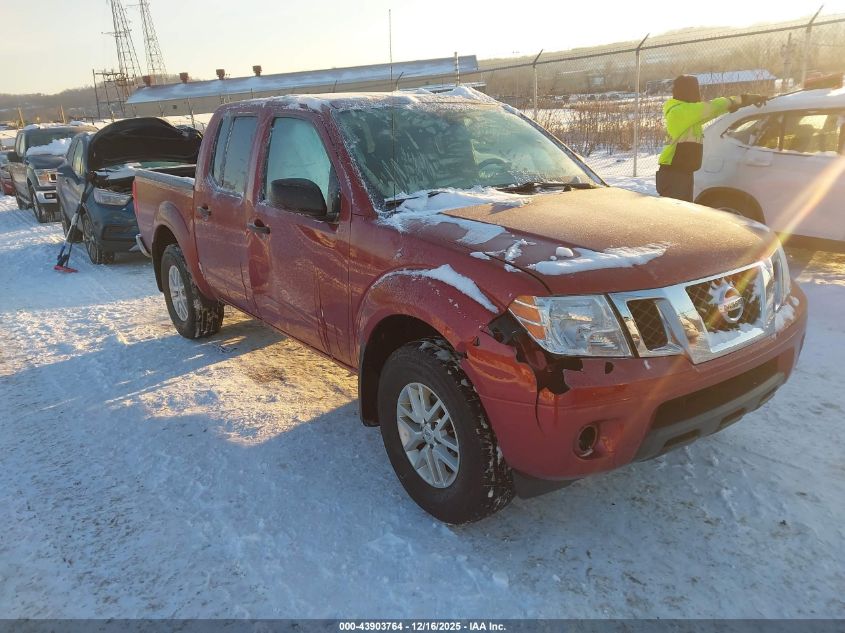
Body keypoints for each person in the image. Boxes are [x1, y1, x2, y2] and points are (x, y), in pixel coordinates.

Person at [656, 75, 767, 202]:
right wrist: (744, 99)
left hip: (680, 173)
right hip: (674, 174)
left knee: (680, 214)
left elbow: (714, 111)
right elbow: (713, 107)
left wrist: (739, 104)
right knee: (675, 216)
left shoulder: (688, 113)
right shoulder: (680, 112)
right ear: (688, 91)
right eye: (695, 90)